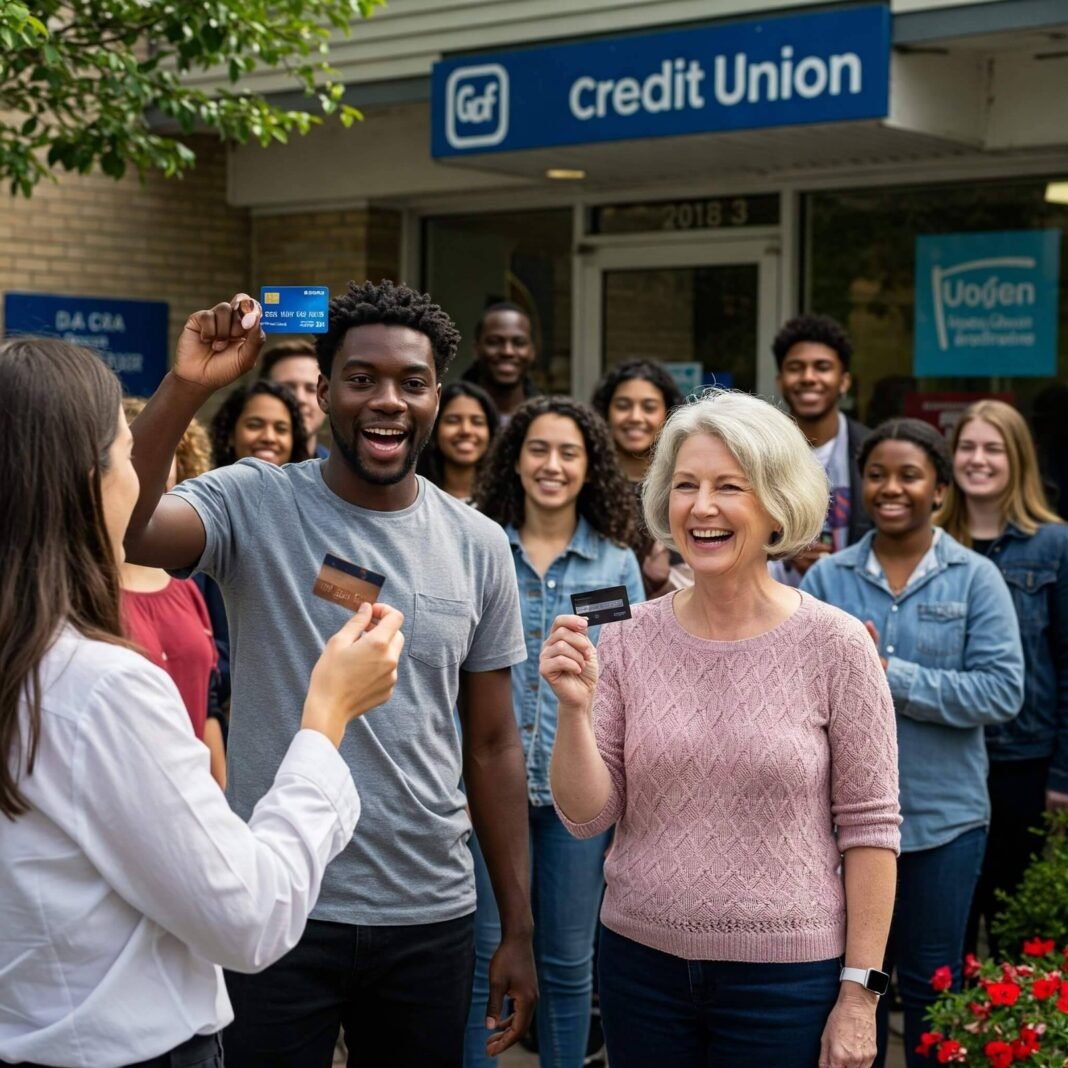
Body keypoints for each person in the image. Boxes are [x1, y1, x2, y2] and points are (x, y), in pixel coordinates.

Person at [123, 282, 537, 1067]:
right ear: (321, 391)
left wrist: (516, 928)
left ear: (437, 398)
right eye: (360, 378)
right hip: (278, 900)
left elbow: (491, 744)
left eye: (411, 383)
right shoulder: (253, 500)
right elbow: (128, 529)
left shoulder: (479, 545)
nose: (387, 400)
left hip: (427, 912)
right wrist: (188, 385)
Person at [0, 335, 404, 1068]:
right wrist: (325, 719)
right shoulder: (100, 689)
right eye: (127, 454)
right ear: (85, 480)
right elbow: (248, 918)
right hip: (123, 1046)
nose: (138, 476)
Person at [541, 389, 901, 1068]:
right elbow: (587, 818)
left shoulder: (838, 644)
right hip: (639, 967)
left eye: (728, 486)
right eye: (685, 485)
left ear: (776, 503)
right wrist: (573, 711)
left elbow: (873, 829)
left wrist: (860, 995)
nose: (701, 506)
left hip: (789, 981)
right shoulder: (623, 636)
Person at [801, 418, 1024, 1068]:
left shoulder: (976, 578)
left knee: (933, 993)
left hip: (943, 825)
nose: (890, 487)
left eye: (909, 474)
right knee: (847, 993)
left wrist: (887, 674)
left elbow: (1001, 693)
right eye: (876, 474)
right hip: (839, 830)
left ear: (938, 488)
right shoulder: (826, 581)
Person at [468, 396, 644, 1068]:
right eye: (538, 448)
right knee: (485, 959)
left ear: (590, 465)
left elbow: (627, 679)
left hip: (578, 796)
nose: (553, 464)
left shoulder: (616, 563)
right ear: (514, 461)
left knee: (571, 966)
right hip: (488, 792)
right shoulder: (480, 545)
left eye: (569, 452)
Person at [935, 399, 1068, 957]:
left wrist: (1061, 773)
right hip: (944, 756)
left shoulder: (1054, 544)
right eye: (967, 447)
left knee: (1015, 926)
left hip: (1023, 760)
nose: (978, 460)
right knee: (949, 925)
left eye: (993, 448)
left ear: (1017, 459)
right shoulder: (931, 543)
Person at [119, 397, 225, 788]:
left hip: (195, 805)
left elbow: (206, 704)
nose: (154, 468)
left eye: (169, 454)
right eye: (134, 453)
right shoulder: (76, 584)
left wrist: (223, 796)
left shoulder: (189, 582)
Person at [771, 313, 871, 586]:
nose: (808, 377)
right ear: (780, 381)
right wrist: (784, 550)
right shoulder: (758, 451)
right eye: (796, 367)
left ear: (844, 381)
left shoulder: (871, 452)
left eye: (822, 367)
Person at [591, 360, 686, 598]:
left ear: (667, 415)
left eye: (649, 407)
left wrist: (660, 582)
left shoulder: (681, 485)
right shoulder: (586, 484)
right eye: (623, 405)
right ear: (605, 413)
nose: (635, 417)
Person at [417, 380, 499, 502]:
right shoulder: (414, 498)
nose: (466, 430)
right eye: (453, 420)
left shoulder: (507, 503)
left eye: (477, 422)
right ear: (433, 429)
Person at [461, 302, 541, 425]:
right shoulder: (448, 413)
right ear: (476, 349)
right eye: (494, 342)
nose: (507, 352)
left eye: (519, 343)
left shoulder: (545, 417)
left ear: (532, 351)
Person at [209, 377, 310, 468]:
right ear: (230, 434)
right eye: (255, 425)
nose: (269, 438)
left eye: (281, 429)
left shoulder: (312, 487)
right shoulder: (205, 487)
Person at [263, 337, 330, 458]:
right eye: (287, 388)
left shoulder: (348, 475)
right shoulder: (229, 473)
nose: (300, 399)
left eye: (311, 389)